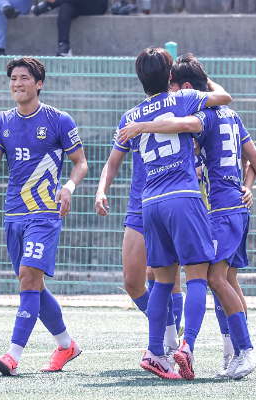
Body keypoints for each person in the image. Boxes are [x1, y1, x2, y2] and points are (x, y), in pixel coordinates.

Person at [117, 54, 256, 380]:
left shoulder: (202, 116)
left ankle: (240, 348)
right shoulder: (231, 115)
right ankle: (229, 352)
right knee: (223, 279)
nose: (172, 97)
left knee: (214, 279)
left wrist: (143, 126)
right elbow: (253, 157)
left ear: (185, 88)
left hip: (220, 209)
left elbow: (187, 124)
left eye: (176, 89)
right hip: (226, 208)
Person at [114, 47, 232, 381]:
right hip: (182, 195)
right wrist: (199, 75)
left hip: (149, 202)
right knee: (197, 275)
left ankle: (155, 352)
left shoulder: (133, 115)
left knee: (162, 280)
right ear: (170, 78)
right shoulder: (182, 98)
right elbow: (224, 98)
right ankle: (186, 346)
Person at [0, 57, 88, 376]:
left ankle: (12, 356)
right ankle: (66, 345)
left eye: (24, 78)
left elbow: (81, 163)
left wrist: (69, 188)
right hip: (14, 216)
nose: (17, 83)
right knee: (31, 283)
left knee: (29, 280)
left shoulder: (59, 120)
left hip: (45, 215)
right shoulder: (2, 121)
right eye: (13, 79)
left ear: (39, 83)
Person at [95, 138, 184, 357]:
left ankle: (171, 345)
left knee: (164, 276)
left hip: (169, 202)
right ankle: (165, 327)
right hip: (139, 205)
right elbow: (113, 161)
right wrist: (101, 190)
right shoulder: (132, 117)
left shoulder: (178, 108)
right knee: (132, 282)